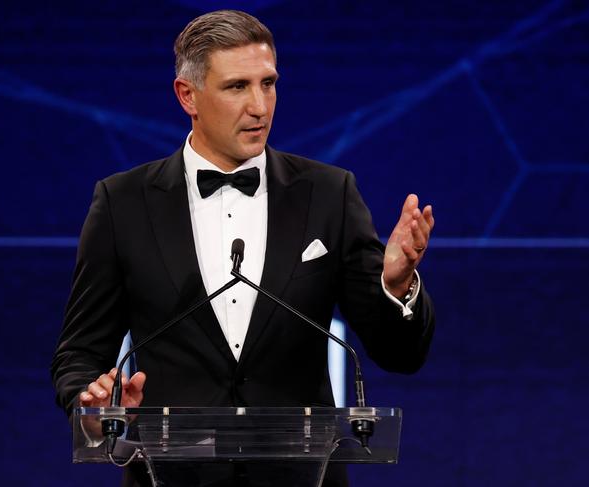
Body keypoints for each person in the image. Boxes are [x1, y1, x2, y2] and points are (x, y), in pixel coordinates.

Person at [51, 9, 435, 487]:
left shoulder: (328, 194)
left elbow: (399, 354)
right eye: (238, 87)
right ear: (187, 95)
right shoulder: (122, 203)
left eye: (268, 83)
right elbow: (80, 354)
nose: (260, 106)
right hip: (170, 477)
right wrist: (93, 405)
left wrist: (397, 287)